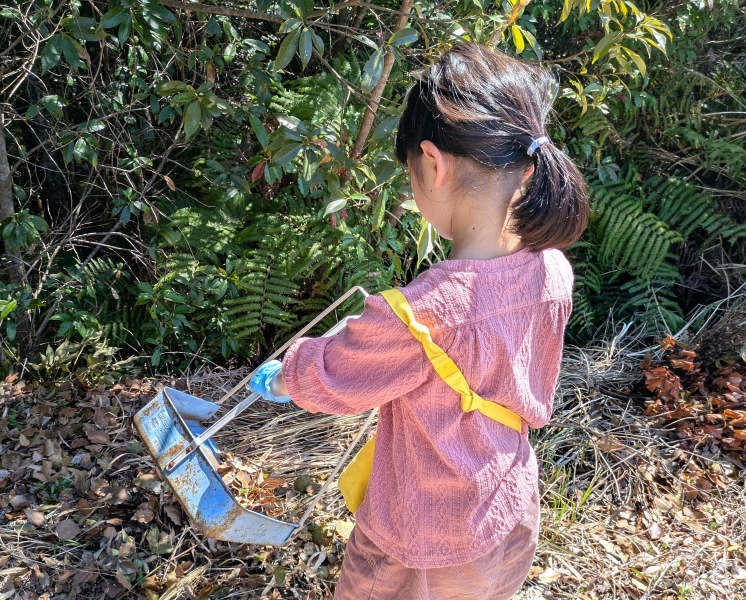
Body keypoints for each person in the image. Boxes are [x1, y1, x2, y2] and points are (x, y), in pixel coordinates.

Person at [248, 42, 588, 600]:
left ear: (433, 163)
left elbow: (330, 376)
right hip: (507, 508)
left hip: (420, 541)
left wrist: (287, 374)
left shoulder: (419, 314)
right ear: (528, 167)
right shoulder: (552, 271)